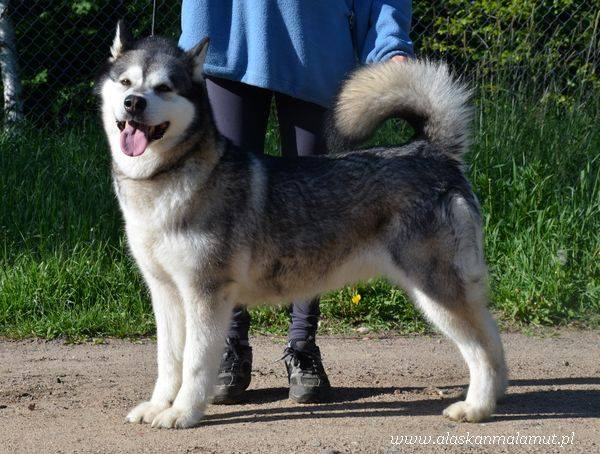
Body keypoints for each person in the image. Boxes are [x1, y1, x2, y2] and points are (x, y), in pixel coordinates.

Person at [179, 0, 413, 404]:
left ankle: (302, 347)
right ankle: (229, 346)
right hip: (225, 30)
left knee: (316, 211)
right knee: (224, 212)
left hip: (317, 36)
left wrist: (389, 42)